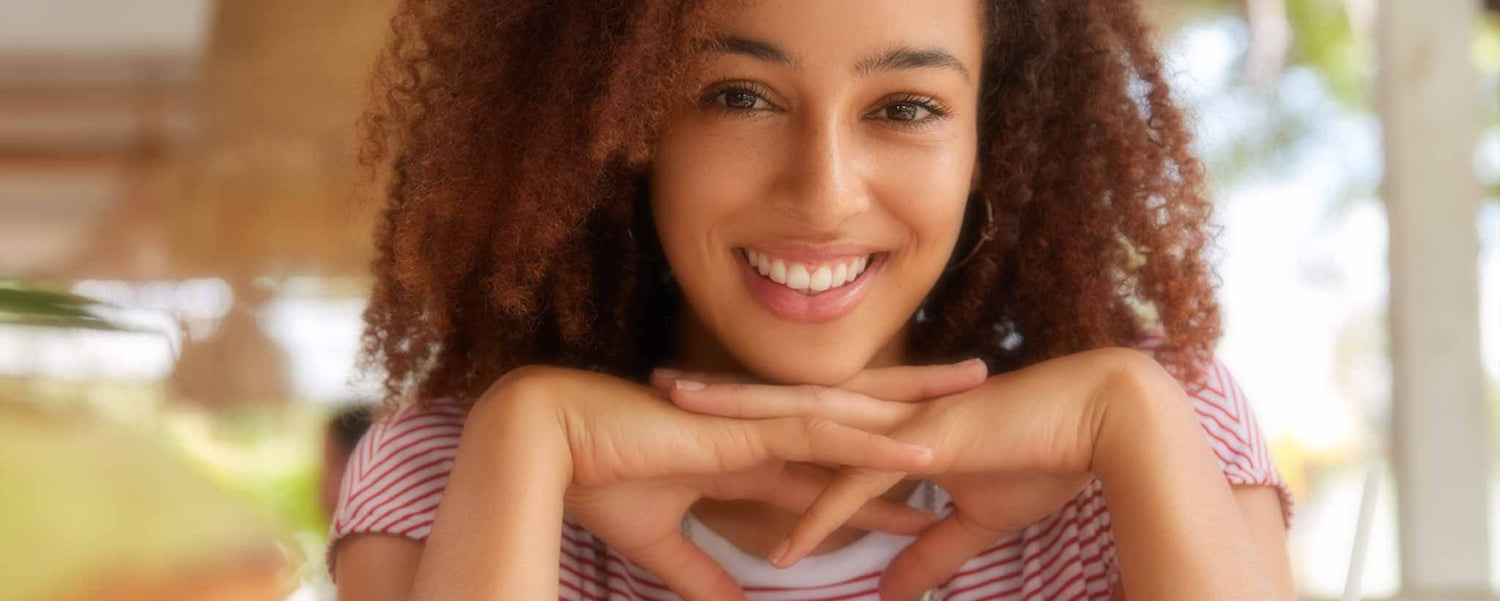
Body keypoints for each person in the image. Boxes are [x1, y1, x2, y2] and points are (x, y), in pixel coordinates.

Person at [331, 1, 1297, 600]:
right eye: (740, 96)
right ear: (621, 124)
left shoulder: (1164, 429)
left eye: (906, 107)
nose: (825, 192)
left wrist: (1131, 416)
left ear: (986, 146)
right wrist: (526, 437)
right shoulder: (449, 475)